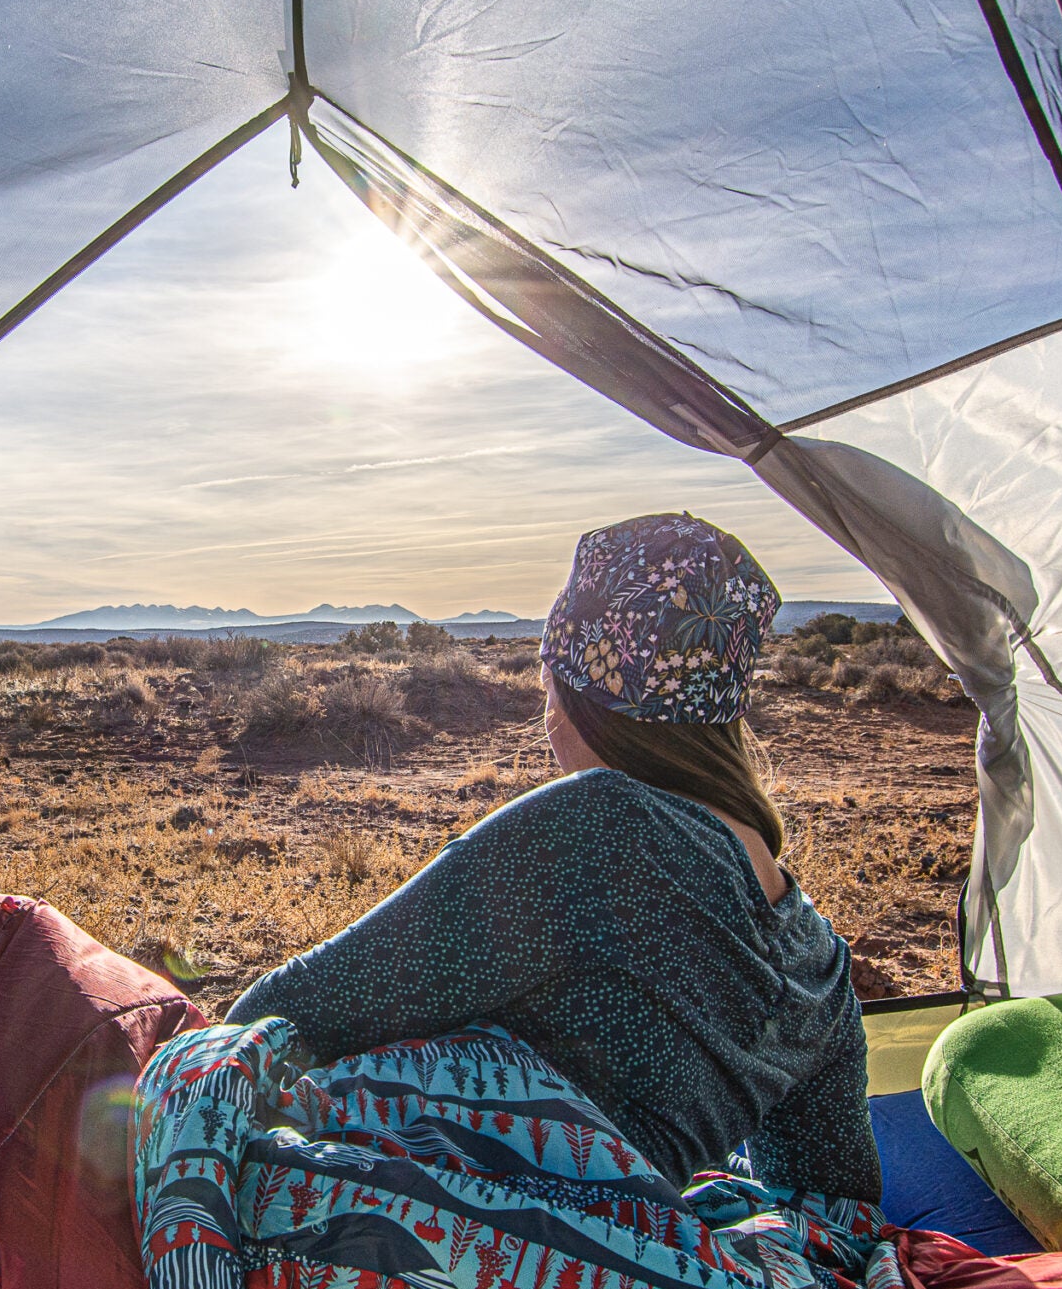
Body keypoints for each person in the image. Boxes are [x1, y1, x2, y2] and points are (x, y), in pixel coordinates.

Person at [227, 511, 880, 1202]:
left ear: (579, 698)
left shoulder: (601, 832)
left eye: (548, 689)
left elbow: (277, 1018)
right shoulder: (820, 971)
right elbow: (840, 1212)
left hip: (454, 1282)